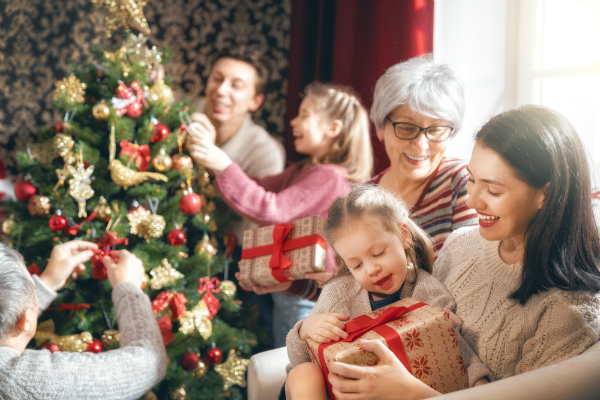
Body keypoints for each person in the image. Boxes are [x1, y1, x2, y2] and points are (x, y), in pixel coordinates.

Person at [323, 105, 600, 399]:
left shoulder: (568, 312)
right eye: (471, 179)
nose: (472, 201)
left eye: (493, 191)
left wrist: (409, 392)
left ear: (545, 193)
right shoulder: (460, 245)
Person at [190, 82, 373, 347]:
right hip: (292, 289)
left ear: (333, 128)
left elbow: (271, 209)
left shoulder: (330, 176)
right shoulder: (305, 169)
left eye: (305, 115)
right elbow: (256, 187)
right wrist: (214, 163)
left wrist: (222, 163)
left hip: (309, 296)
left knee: (295, 360)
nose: (294, 121)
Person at [284, 185, 492, 400]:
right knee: (303, 373)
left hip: (401, 391)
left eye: (378, 253)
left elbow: (455, 348)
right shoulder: (337, 294)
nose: (372, 270)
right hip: (339, 391)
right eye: (356, 265)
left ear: (403, 235)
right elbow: (298, 362)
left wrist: (479, 383)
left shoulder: (429, 293)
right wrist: (305, 330)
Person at [0, 241, 167, 399]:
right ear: (25, 319)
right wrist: (129, 289)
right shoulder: (20, 382)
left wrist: (48, 281)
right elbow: (148, 363)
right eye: (33, 294)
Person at [368, 55, 478, 257]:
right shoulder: (361, 199)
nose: (421, 144)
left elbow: (468, 274)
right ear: (380, 128)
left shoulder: (465, 181)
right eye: (407, 127)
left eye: (436, 129)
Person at [187, 46, 286, 241]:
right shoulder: (179, 112)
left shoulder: (266, 152)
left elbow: (250, 231)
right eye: (217, 79)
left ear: (255, 102)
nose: (221, 90)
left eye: (236, 85)